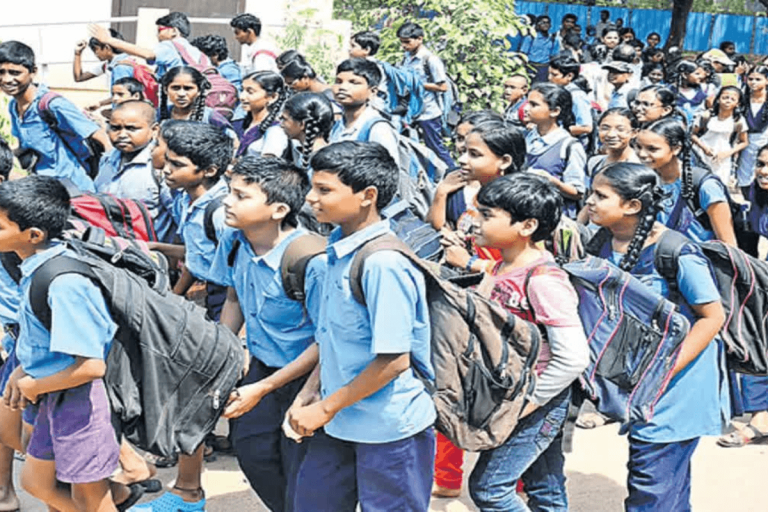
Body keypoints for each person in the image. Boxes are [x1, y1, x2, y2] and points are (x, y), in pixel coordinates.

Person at [285, 141, 435, 511]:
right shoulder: (337, 248)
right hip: (338, 419)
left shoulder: (383, 264)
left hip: (387, 429)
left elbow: (394, 360)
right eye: (313, 187)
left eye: (324, 190)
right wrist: (311, 391)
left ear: (367, 196)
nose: (311, 198)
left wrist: (324, 409)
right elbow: (334, 339)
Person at [585, 163, 728, 512]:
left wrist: (661, 371)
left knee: (650, 484)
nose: (589, 201)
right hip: (639, 380)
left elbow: (713, 317)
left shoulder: (676, 251)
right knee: (669, 485)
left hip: (678, 383)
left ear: (632, 206)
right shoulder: (601, 241)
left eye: (600, 196)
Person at [468, 173, 589, 511]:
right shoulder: (501, 268)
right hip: (518, 394)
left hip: (538, 398)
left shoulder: (543, 280)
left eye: (487, 215)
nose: (476, 222)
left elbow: (573, 357)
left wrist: (529, 403)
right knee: (544, 485)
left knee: (490, 488)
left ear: (527, 226)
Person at [0, 175, 121, 512]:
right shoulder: (33, 267)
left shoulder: (64, 283)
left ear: (33, 235)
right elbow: (43, 337)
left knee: (91, 497)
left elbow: (92, 366)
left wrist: (34, 384)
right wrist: (23, 370)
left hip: (80, 401)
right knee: (38, 483)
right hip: (51, 394)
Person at [211, 155, 322, 512]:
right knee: (252, 450)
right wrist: (223, 355)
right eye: (230, 191)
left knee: (300, 464)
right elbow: (233, 298)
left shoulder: (310, 260)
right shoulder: (234, 240)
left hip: (308, 376)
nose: (228, 201)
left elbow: (328, 340)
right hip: (262, 367)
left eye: (241, 196)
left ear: (278, 210)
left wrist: (264, 388)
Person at [134, 122, 233, 512]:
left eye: (177, 164)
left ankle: (189, 491)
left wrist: (230, 336)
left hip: (226, 303)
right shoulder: (187, 200)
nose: (166, 169)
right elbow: (196, 256)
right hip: (206, 301)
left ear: (207, 170)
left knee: (199, 390)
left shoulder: (220, 211)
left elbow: (233, 272)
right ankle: (187, 487)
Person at [0, 40, 109, 194]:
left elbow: (101, 136)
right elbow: (26, 147)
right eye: (1, 72)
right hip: (44, 187)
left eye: (15, 73)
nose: (6, 79)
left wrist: (110, 179)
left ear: (33, 72)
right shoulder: (14, 106)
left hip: (74, 189)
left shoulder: (53, 105)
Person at [717, 145, 768, 448]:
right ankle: (761, 417)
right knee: (755, 346)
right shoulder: (756, 196)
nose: (763, 171)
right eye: (760, 163)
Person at [432, 120, 527, 272]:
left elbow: (525, 268)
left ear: (504, 161)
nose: (462, 160)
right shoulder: (482, 197)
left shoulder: (515, 206)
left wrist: (469, 262)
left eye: (474, 155)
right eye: (465, 152)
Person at [634, 117, 737, 245]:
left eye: (652, 149)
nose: (642, 154)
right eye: (638, 147)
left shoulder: (705, 186)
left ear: (676, 148)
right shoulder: (646, 181)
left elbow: (728, 244)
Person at [95, 100, 175, 242]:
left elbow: (179, 218)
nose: (122, 135)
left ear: (154, 130)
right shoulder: (106, 160)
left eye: (131, 129)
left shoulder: (160, 166)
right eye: (115, 128)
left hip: (151, 250)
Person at [524, 83, 587, 219]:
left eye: (534, 105)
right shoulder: (525, 138)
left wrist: (552, 182)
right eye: (527, 103)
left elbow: (577, 192)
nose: (526, 108)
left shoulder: (569, 146)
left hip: (553, 216)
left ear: (555, 111)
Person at [397, 21, 455, 167]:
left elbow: (443, 87)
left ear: (420, 39)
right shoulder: (406, 57)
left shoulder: (430, 60)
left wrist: (416, 84)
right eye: (402, 42)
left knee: (435, 147)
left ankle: (454, 172)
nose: (404, 46)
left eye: (407, 42)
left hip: (428, 112)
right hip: (411, 111)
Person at [89, 12, 206, 81]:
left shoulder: (169, 45)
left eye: (160, 30)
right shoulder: (196, 51)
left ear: (174, 31)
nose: (157, 35)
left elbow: (148, 54)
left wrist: (108, 40)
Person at [329, 58, 400, 167]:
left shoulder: (378, 129)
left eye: (353, 82)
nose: (342, 87)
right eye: (338, 82)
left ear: (372, 92)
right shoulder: (337, 126)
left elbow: (389, 171)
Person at [158, 66, 236, 140]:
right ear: (165, 90)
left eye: (188, 88)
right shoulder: (158, 114)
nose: (181, 94)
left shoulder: (211, 117)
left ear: (199, 90)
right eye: (175, 88)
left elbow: (233, 142)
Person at [691, 86, 748, 186]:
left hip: (722, 158)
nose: (728, 101)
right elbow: (692, 135)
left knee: (720, 183)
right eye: (725, 97)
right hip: (701, 154)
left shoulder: (738, 120)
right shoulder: (706, 116)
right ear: (718, 99)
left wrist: (728, 153)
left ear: (738, 104)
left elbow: (744, 142)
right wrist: (704, 148)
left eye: (732, 99)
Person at [73, 30, 134, 112]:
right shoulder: (108, 65)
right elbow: (79, 77)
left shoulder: (121, 66)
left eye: (96, 50)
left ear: (107, 48)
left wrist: (100, 103)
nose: (95, 54)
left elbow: (122, 95)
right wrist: (77, 53)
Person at [234, 71, 290, 158]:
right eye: (242, 90)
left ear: (272, 97)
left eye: (250, 92)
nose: (242, 97)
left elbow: (267, 164)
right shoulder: (240, 124)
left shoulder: (275, 131)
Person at [281, 91, 334, 170]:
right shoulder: (297, 152)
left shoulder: (325, 160)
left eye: (285, 119)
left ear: (302, 124)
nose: (281, 124)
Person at [736, 66, 768, 193]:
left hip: (765, 140)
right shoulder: (742, 99)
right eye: (751, 79)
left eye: (758, 79)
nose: (753, 82)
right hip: (746, 142)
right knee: (744, 176)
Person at [548, 55, 594, 144]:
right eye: (549, 74)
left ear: (569, 76)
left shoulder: (577, 96)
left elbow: (586, 128)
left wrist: (557, 131)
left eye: (554, 75)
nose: (549, 78)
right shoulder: (558, 91)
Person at [588, 107, 641, 179]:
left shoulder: (639, 165)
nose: (611, 134)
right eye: (605, 128)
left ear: (634, 133)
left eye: (620, 129)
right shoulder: (595, 163)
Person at [519, 15, 560, 82]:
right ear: (537, 25)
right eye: (543, 22)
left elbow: (554, 55)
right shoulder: (531, 37)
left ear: (550, 25)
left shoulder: (553, 39)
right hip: (531, 66)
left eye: (547, 23)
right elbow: (523, 54)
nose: (545, 25)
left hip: (545, 68)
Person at [671, 61, 712, 125]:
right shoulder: (670, 90)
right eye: (697, 74)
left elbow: (709, 108)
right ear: (685, 75)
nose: (701, 76)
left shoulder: (704, 89)